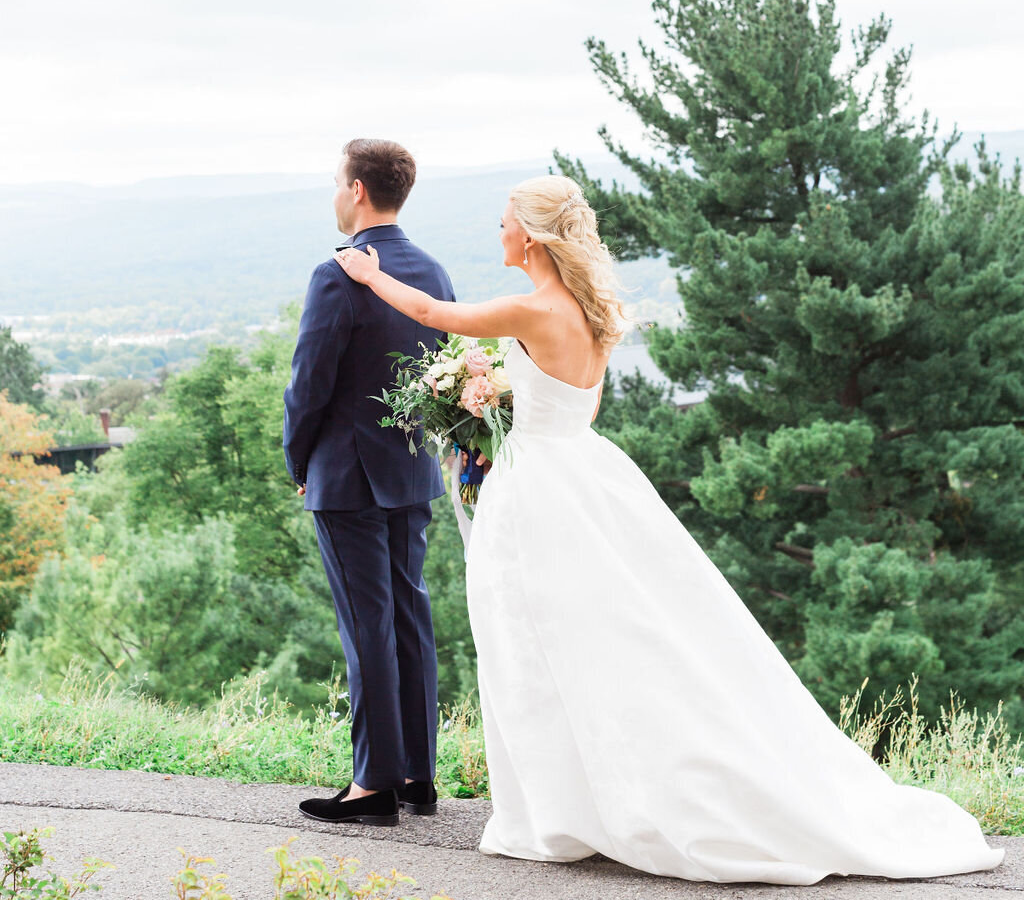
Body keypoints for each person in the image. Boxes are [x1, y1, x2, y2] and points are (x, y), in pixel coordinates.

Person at [334, 172, 1006, 883]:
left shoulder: (534, 310)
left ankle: (559, 812)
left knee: (531, 644)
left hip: (536, 494)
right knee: (599, 640)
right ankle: (585, 798)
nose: (498, 231)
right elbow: (576, 411)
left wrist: (368, 273)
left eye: (504, 221)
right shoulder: (589, 313)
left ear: (529, 236)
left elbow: (435, 313)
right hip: (585, 474)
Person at [282, 137, 455, 827]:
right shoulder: (434, 271)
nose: (333, 192)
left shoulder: (337, 273)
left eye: (335, 181)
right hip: (411, 472)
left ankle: (372, 786)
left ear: (357, 191)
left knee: (367, 627)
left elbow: (309, 384)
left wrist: (299, 461)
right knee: (410, 621)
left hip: (347, 477)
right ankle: (417, 775)